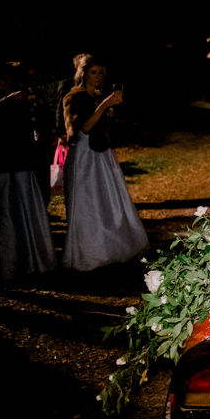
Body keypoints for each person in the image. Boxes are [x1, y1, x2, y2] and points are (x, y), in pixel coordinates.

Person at [62, 56, 148, 271]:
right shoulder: (74, 97)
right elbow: (83, 129)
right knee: (87, 202)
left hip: (102, 154)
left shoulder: (97, 96)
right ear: (83, 74)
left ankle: (111, 248)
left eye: (101, 72)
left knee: (108, 201)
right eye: (93, 72)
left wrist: (106, 111)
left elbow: (98, 124)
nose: (98, 77)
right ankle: (89, 254)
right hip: (84, 155)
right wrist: (102, 107)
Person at [0, 61, 57, 281]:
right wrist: (6, 102)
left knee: (25, 209)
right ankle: (6, 264)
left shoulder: (24, 97)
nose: (7, 84)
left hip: (21, 159)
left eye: (10, 80)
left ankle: (31, 259)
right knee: (4, 212)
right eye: (3, 80)